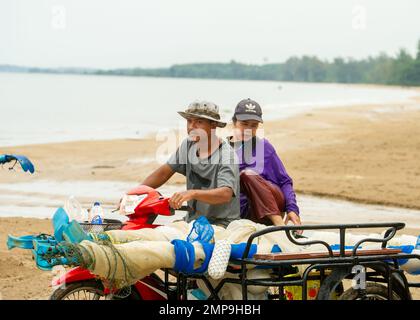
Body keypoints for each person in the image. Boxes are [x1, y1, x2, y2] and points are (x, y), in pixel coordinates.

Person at [140, 100, 240, 228]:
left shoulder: (227, 155)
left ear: (213, 125)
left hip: (221, 224)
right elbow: (164, 172)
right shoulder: (188, 144)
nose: (192, 127)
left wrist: (192, 193)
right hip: (192, 220)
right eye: (189, 121)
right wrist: (136, 193)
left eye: (199, 122)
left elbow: (225, 194)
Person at [227, 98, 301, 227]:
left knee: (247, 174)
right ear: (234, 122)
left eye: (254, 125)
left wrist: (292, 209)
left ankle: (279, 225)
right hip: (239, 213)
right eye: (244, 123)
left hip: (270, 209)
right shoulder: (222, 150)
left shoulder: (264, 147)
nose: (249, 129)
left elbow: (285, 181)